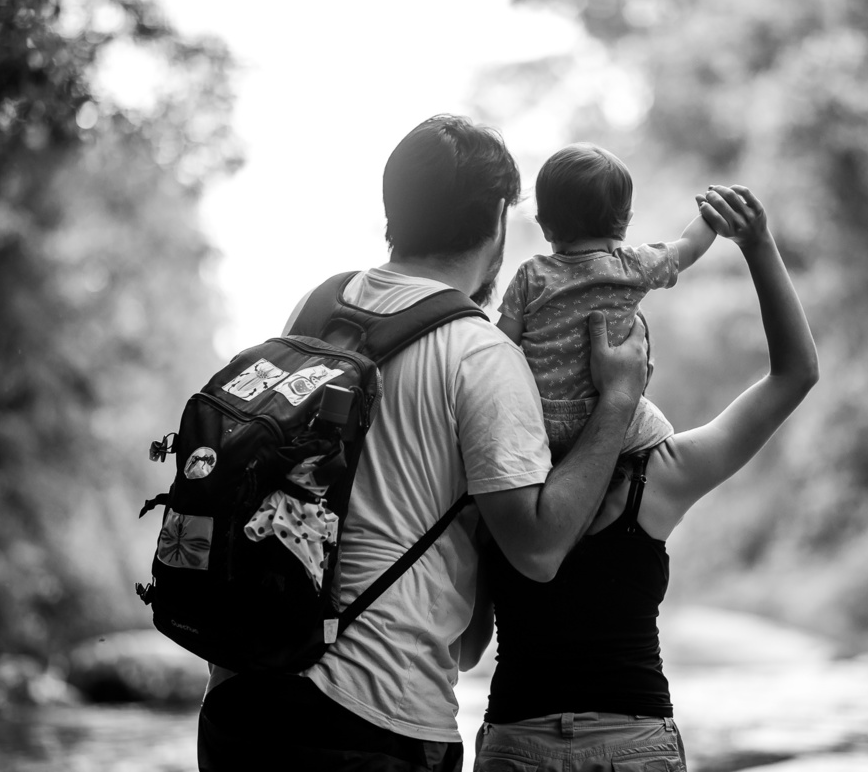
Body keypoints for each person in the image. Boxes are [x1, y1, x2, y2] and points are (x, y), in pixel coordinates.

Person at [195, 114, 650, 772]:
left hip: (241, 698)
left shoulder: (319, 307)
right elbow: (540, 547)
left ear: (395, 206)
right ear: (497, 218)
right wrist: (616, 406)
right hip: (373, 714)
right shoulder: (481, 354)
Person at [471, 184, 819, 771]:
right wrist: (756, 244)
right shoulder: (662, 475)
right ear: (638, 366)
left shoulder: (498, 480)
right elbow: (794, 375)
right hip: (633, 743)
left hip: (516, 740)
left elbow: (469, 647)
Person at [497, 143, 717, 461]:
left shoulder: (532, 275)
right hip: (602, 414)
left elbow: (502, 343)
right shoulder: (632, 267)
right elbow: (690, 248)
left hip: (538, 418)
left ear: (544, 225)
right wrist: (712, 216)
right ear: (625, 222)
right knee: (664, 441)